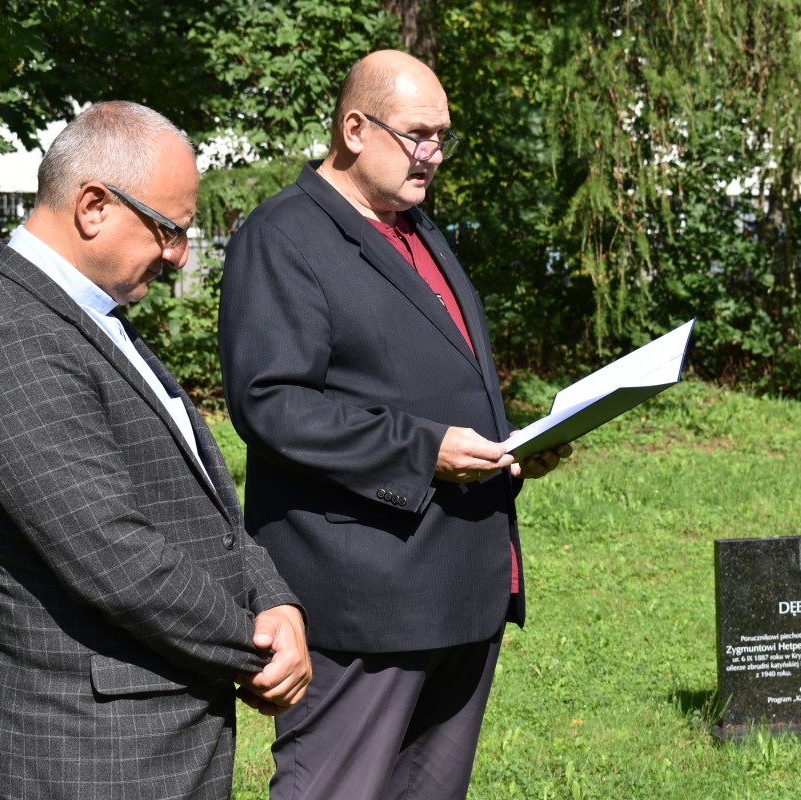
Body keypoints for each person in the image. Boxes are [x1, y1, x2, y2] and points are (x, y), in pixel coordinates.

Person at [0, 100, 311, 800]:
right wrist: (254, 647)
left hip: (150, 738)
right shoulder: (13, 340)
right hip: (96, 758)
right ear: (94, 206)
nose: (179, 254)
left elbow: (198, 503)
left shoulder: (85, 315)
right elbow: (113, 555)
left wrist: (275, 600)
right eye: (169, 228)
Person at [218, 50, 571, 800]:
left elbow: (421, 371)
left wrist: (513, 444)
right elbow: (271, 402)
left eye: (443, 137)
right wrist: (425, 451)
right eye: (417, 135)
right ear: (354, 129)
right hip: (366, 601)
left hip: (459, 587)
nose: (433, 154)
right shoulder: (284, 235)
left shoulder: (415, 226)